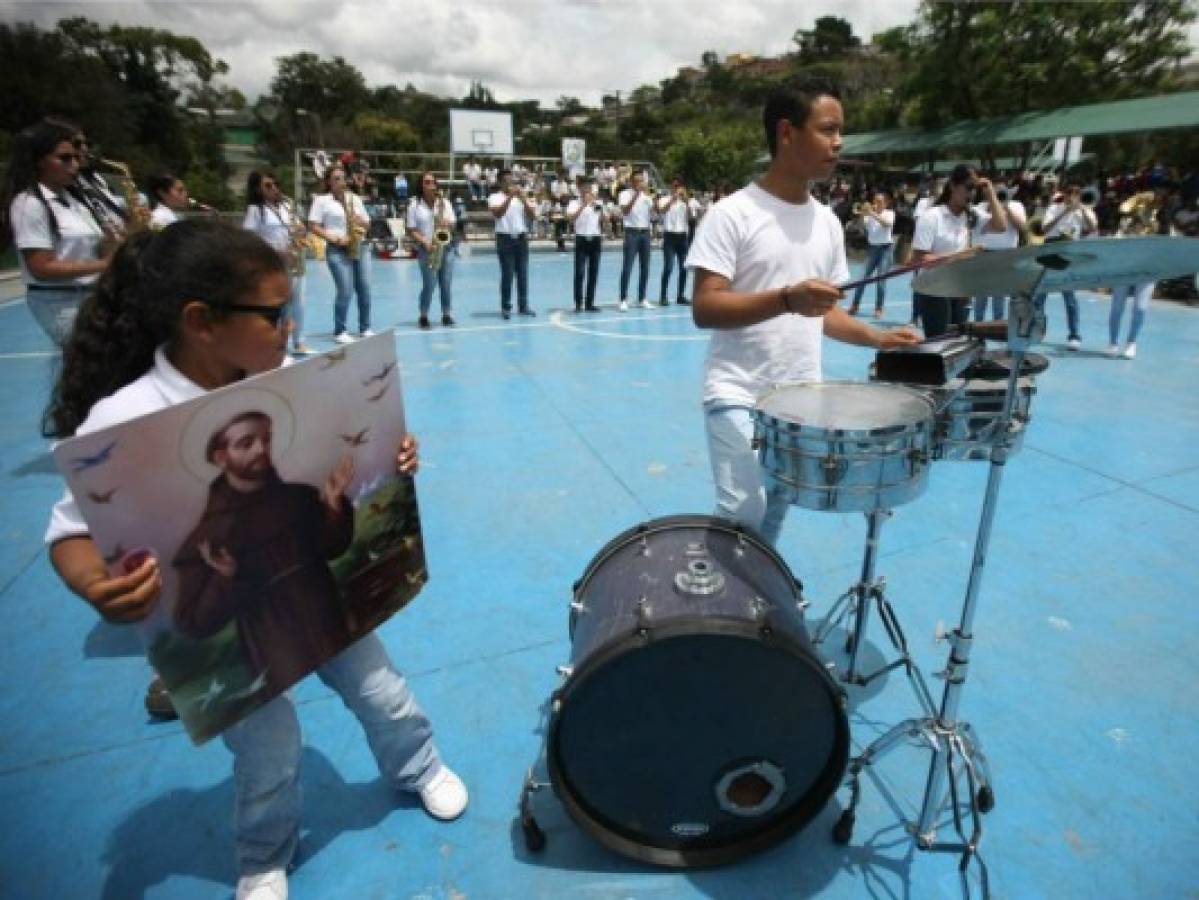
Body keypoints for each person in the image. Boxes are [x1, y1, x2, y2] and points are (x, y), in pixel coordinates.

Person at [42, 220, 467, 900]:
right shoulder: (124, 419)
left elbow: (330, 532)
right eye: (273, 314)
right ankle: (264, 852)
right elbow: (69, 533)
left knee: (383, 693)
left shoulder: (296, 387)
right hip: (255, 631)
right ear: (202, 322)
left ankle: (417, 765)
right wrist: (94, 581)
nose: (288, 323)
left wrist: (388, 460)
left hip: (324, 608)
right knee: (268, 747)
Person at [687, 80, 921, 545]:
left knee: (774, 506)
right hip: (737, 389)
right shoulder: (732, 213)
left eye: (841, 132)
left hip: (796, 397)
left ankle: (746, 604)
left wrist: (879, 337)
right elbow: (706, 306)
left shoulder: (828, 222)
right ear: (787, 133)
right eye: (828, 129)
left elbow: (825, 313)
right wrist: (785, 298)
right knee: (744, 508)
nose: (838, 143)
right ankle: (719, 601)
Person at [173, 411, 355, 695]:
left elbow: (333, 548)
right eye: (246, 443)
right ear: (221, 457)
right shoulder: (208, 537)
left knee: (385, 699)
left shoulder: (299, 498)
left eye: (266, 440)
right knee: (275, 738)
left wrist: (332, 507)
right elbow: (195, 623)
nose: (261, 449)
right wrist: (225, 579)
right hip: (273, 645)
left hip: (332, 625)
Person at [0, 118, 116, 345]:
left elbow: (96, 249)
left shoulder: (74, 199)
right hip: (62, 304)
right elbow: (42, 267)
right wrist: (105, 264)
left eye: (74, 157)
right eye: (64, 158)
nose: (75, 164)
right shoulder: (29, 203)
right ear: (39, 161)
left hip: (91, 296)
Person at [910, 165, 1007, 338]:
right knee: (939, 345)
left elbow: (1001, 226)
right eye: (968, 187)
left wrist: (990, 193)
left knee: (957, 343)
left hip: (960, 291)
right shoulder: (932, 216)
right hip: (935, 290)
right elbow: (918, 259)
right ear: (953, 186)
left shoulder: (971, 216)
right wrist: (959, 257)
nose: (972, 194)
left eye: (975, 190)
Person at [243, 170, 310, 354]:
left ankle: (299, 341)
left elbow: (298, 228)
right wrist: (278, 252)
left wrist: (301, 231)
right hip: (272, 263)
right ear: (258, 189)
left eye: (275, 184)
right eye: (268, 185)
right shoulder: (256, 210)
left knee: (299, 302)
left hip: (293, 260)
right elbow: (249, 240)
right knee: (280, 304)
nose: (274, 188)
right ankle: (280, 344)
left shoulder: (286, 206)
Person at [308, 165, 374, 343]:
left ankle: (365, 327)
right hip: (337, 249)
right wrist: (333, 238)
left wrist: (362, 222)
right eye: (337, 178)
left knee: (365, 288)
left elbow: (368, 223)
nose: (341, 182)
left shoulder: (354, 199)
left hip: (360, 246)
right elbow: (313, 225)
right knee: (345, 289)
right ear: (329, 182)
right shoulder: (322, 201)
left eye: (343, 178)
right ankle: (340, 330)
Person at [1038, 184, 1097, 349]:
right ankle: (1037, 330)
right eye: (1070, 192)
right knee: (1041, 296)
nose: (1073, 196)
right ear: (1064, 194)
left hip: (1070, 251)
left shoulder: (1082, 212)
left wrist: (1082, 210)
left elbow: (1092, 228)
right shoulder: (1054, 208)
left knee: (1069, 297)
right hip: (1051, 248)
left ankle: (1074, 335)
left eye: (1076, 193)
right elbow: (1044, 229)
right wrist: (1064, 212)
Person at [406, 171, 457, 329]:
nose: (431, 185)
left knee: (446, 283)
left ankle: (446, 314)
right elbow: (411, 229)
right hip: (426, 248)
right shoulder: (414, 205)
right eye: (427, 182)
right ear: (421, 185)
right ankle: (423, 315)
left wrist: (447, 223)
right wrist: (424, 241)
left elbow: (453, 224)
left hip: (446, 248)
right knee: (430, 284)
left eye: (433, 182)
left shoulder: (444, 203)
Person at [971, 183, 1026, 321]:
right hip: (983, 253)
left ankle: (997, 325)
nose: (998, 197)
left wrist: (1006, 206)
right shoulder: (980, 207)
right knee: (981, 295)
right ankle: (979, 329)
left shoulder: (1016, 205)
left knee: (999, 296)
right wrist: (993, 204)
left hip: (1005, 254)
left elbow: (1022, 227)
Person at [487, 169, 536, 320]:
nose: (511, 183)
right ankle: (506, 307)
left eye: (512, 180)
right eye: (507, 180)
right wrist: (510, 197)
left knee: (523, 275)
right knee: (507, 274)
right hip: (504, 239)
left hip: (521, 238)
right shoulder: (494, 197)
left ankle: (523, 306)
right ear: (500, 182)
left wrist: (523, 200)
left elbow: (532, 216)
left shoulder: (519, 197)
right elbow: (498, 214)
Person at [848, 191, 896, 318]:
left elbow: (887, 224)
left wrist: (871, 213)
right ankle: (855, 305)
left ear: (886, 203)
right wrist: (862, 214)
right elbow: (861, 227)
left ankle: (879, 308)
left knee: (881, 280)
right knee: (862, 278)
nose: (876, 203)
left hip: (886, 249)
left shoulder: (889, 213)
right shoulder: (869, 216)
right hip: (872, 249)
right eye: (875, 201)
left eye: (879, 201)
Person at [617, 171, 654, 310]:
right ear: (631, 182)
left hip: (645, 233)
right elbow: (625, 211)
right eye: (637, 181)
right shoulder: (624, 194)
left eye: (641, 181)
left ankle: (642, 297)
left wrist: (650, 197)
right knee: (628, 267)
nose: (640, 183)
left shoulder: (647, 196)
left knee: (645, 267)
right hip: (631, 233)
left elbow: (654, 212)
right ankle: (623, 299)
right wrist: (636, 195)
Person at [566, 179, 604, 312]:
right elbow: (570, 218)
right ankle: (578, 303)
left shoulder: (597, 203)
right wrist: (583, 205)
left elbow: (604, 219)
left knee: (593, 273)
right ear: (579, 189)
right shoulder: (573, 203)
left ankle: (589, 303)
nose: (587, 190)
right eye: (584, 188)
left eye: (589, 188)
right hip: (581, 239)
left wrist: (595, 205)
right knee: (580, 272)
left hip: (595, 239)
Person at [657, 178, 692, 306]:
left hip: (682, 236)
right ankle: (663, 296)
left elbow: (690, 217)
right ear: (671, 187)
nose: (677, 189)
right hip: (670, 236)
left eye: (679, 186)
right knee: (668, 267)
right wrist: (673, 199)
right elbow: (661, 211)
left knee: (684, 268)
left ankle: (681, 295)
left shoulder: (685, 203)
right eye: (675, 186)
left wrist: (687, 201)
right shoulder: (665, 199)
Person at [1108, 281, 1155, 359]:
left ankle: (1131, 342)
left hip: (1148, 273)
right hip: (1123, 272)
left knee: (1140, 308)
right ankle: (1113, 343)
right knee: (1117, 307)